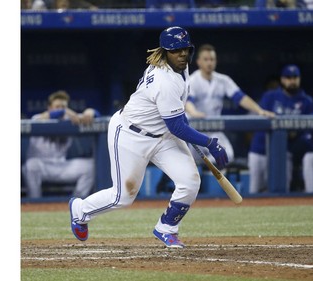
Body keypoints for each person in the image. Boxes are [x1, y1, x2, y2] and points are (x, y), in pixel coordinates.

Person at [68, 27, 229, 248]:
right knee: (123, 197)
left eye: (185, 49)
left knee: (190, 182)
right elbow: (177, 127)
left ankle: (167, 228)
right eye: (176, 51)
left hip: (162, 135)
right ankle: (80, 210)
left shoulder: (181, 67)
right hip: (130, 134)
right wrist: (210, 143)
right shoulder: (163, 80)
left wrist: (194, 133)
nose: (182, 54)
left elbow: (178, 116)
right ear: (164, 52)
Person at [185, 43, 275, 165]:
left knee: (227, 155)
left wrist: (259, 110)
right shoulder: (192, 80)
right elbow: (188, 102)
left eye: (212, 59)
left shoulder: (223, 80)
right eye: (206, 59)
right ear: (199, 62)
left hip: (214, 129)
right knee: (190, 163)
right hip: (196, 129)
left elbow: (240, 97)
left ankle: (208, 171)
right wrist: (194, 112)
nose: (209, 62)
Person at [248, 64, 313, 194]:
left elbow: (311, 130)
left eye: (295, 77)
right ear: (282, 79)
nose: (292, 81)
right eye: (288, 77)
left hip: (284, 152)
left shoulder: (307, 101)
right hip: (260, 149)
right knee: (254, 191)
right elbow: (260, 121)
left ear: (300, 79)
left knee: (281, 191)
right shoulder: (270, 96)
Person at [22, 90, 99, 199]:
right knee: (30, 165)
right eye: (57, 106)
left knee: (90, 166)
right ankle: (35, 202)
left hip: (61, 166)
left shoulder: (70, 119)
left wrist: (90, 112)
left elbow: (95, 115)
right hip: (41, 166)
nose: (61, 109)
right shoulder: (39, 118)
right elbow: (51, 116)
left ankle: (76, 201)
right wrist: (65, 111)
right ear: (49, 108)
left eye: (64, 106)